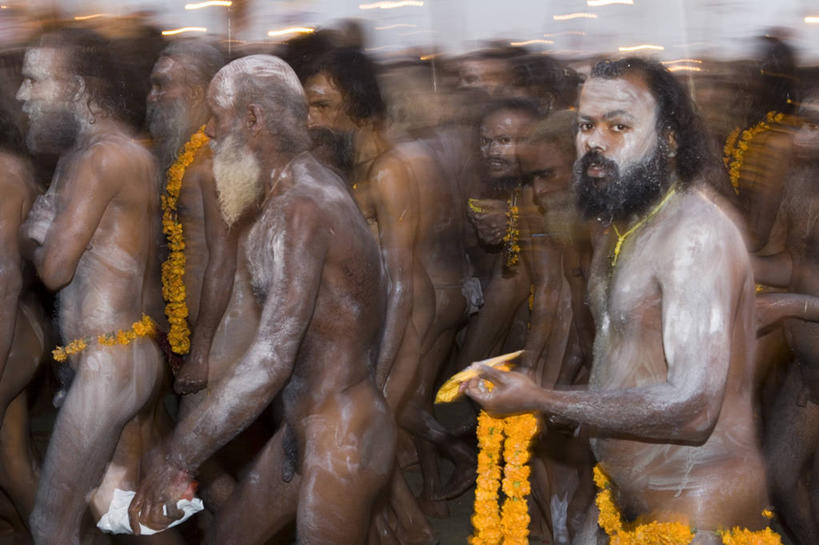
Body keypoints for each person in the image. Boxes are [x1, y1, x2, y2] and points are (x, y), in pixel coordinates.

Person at [463, 57, 770, 544]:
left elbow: (693, 410)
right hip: (623, 500)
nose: (595, 142)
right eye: (587, 125)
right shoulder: (622, 225)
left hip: (695, 515)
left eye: (619, 126)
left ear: (669, 140)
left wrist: (544, 399)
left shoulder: (694, 234)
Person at [128, 55, 396, 545]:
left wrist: (177, 455)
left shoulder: (303, 207)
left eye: (217, 115)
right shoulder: (292, 191)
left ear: (252, 119)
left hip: (341, 435)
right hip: (303, 428)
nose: (208, 131)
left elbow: (272, 358)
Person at [16, 28, 170, 545]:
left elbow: (55, 270)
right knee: (119, 509)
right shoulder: (119, 151)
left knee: (49, 524)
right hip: (124, 355)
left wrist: (37, 236)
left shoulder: (98, 158)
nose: (21, 95)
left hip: (109, 364)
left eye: (35, 81)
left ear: (78, 88)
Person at [752, 92, 819, 545]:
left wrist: (790, 305)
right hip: (809, 372)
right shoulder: (800, 184)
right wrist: (729, 260)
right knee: (780, 476)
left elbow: (799, 290)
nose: (802, 136)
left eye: (816, 127)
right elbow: (794, 267)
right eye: (803, 124)